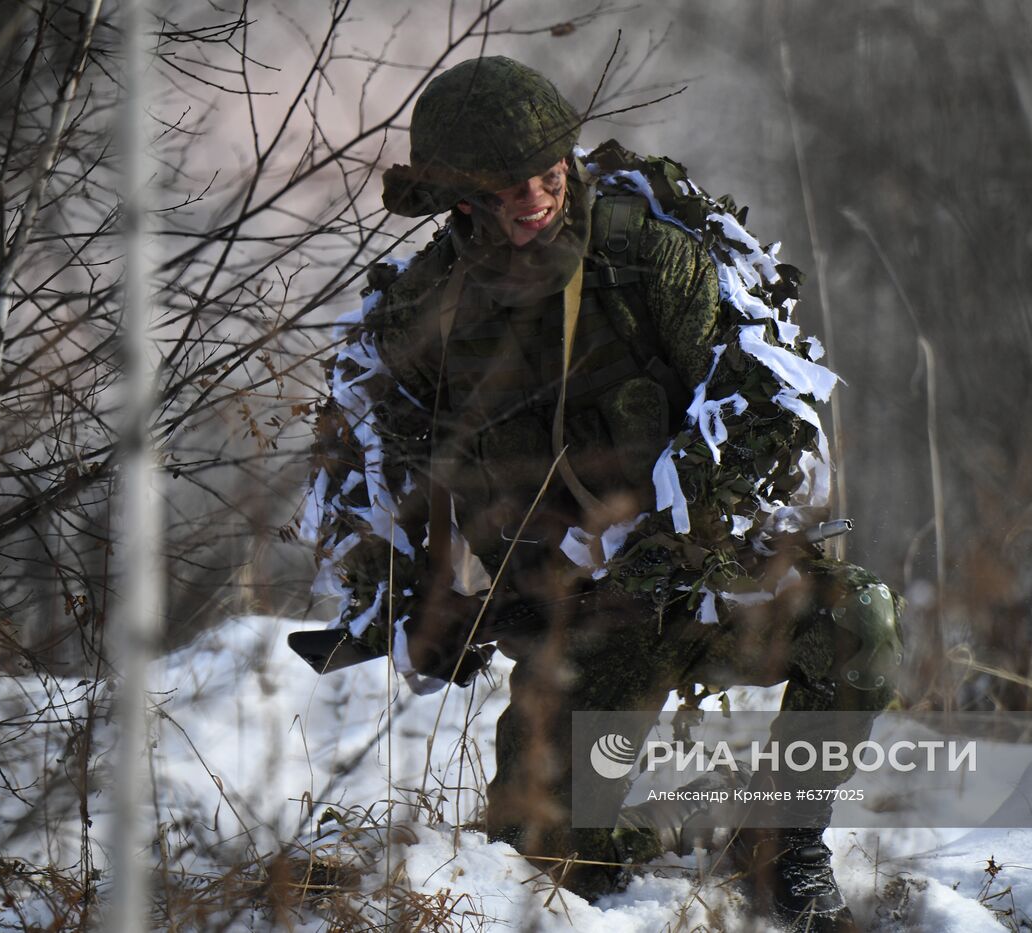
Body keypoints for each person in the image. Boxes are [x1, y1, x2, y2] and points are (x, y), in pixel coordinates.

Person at [305, 55, 903, 932]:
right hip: (573, 630)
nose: (538, 197)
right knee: (542, 872)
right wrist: (403, 603)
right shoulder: (426, 314)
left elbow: (762, 406)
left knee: (858, 617)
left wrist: (676, 540)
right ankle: (638, 827)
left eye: (550, 173)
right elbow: (361, 466)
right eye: (509, 187)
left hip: (700, 582)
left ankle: (781, 841)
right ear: (460, 197)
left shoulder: (645, 256)